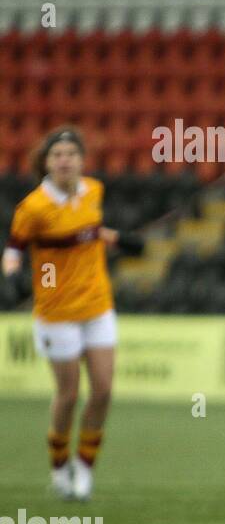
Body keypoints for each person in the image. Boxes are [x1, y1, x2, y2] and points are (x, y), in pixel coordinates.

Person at [2, 127, 140, 501]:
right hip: (56, 310)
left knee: (104, 389)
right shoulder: (33, 208)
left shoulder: (93, 191)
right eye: (57, 154)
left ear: (81, 160)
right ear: (47, 163)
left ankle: (85, 467)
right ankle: (59, 465)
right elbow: (13, 251)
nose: (64, 160)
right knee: (68, 394)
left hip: (96, 303)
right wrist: (12, 278)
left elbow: (90, 230)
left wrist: (119, 239)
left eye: (71, 154)